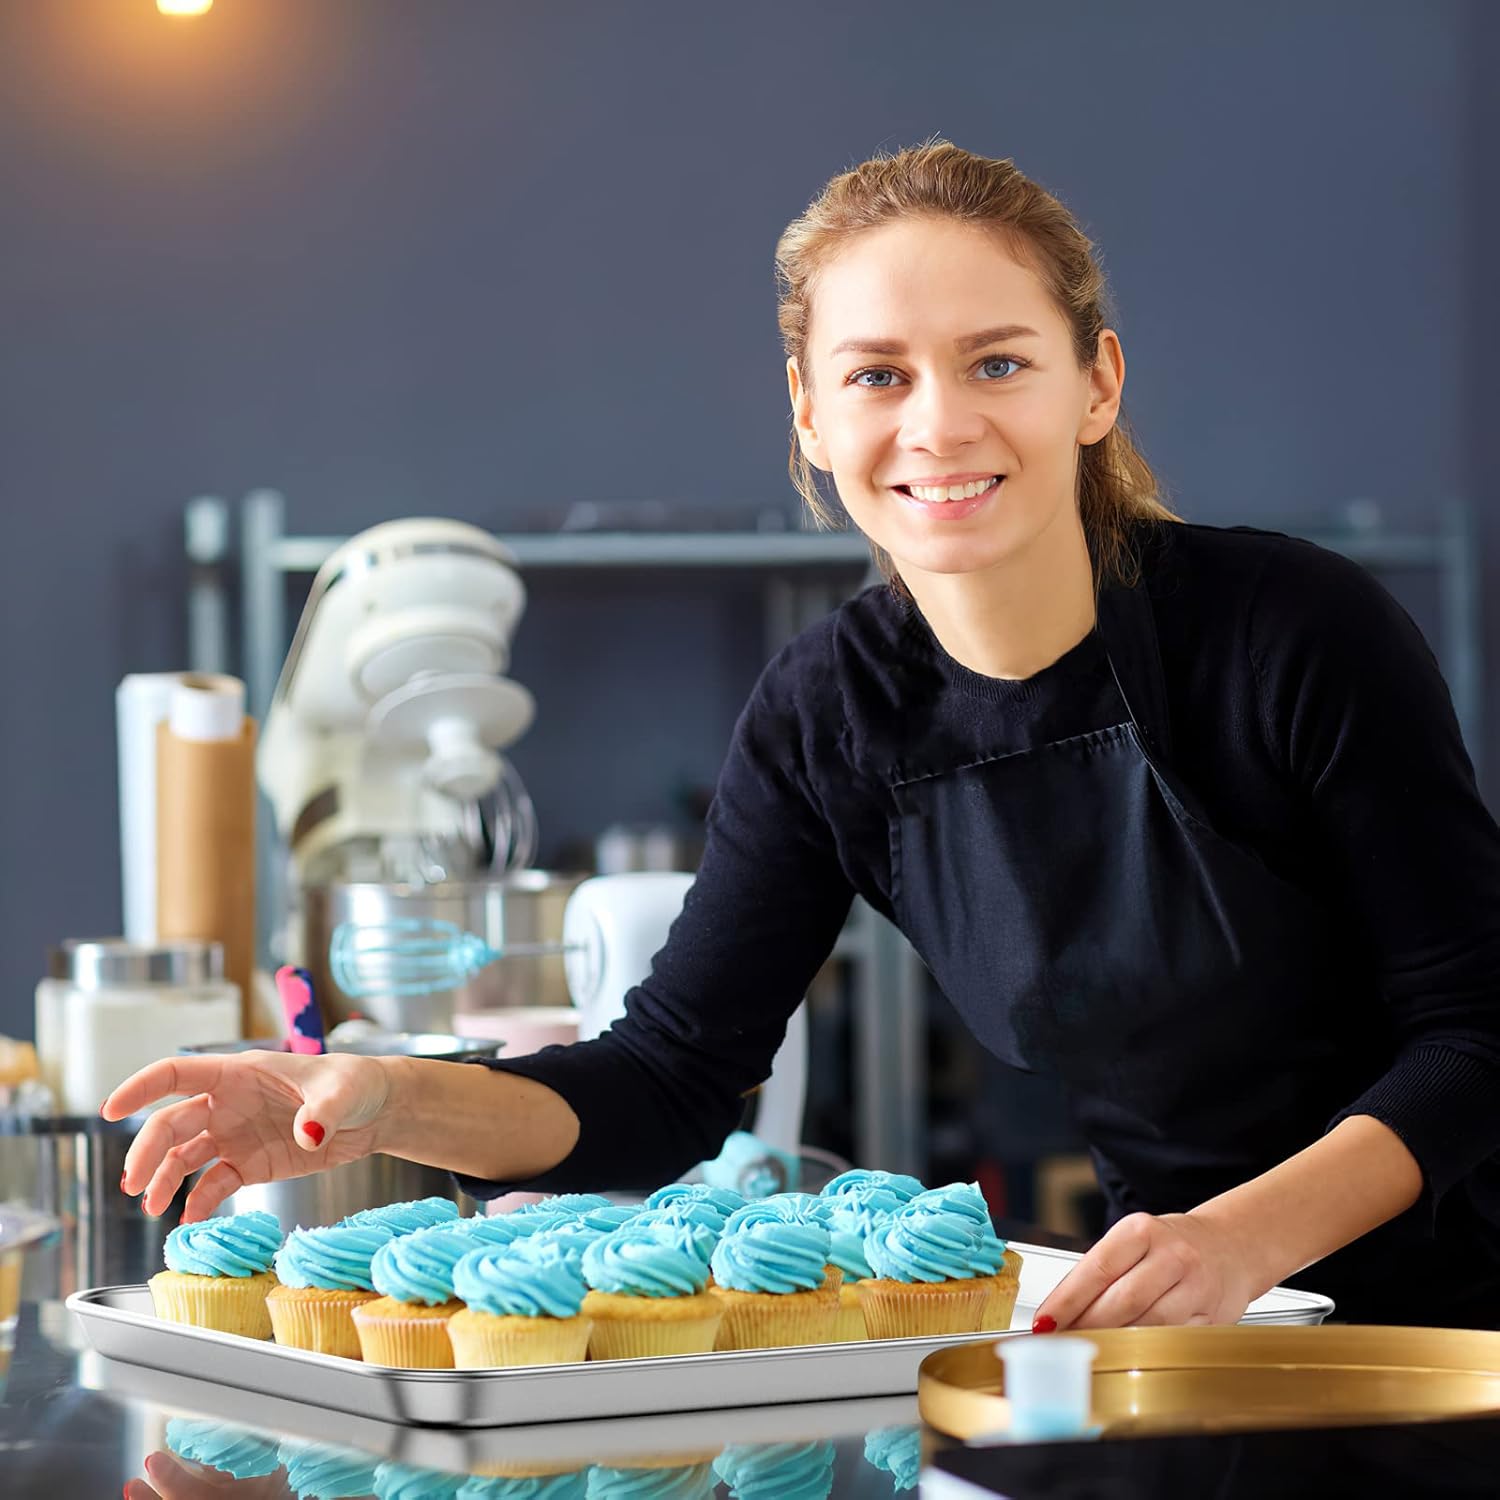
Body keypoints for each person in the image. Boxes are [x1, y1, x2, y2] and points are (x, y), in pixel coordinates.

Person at [105, 141, 1500, 1331]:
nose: (939, 423)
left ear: (1096, 384)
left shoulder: (1291, 632)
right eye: (879, 375)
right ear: (814, 417)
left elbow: (1478, 1035)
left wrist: (1246, 1240)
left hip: (1455, 1308)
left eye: (997, 361)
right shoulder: (829, 712)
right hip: (1175, 1318)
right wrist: (367, 1099)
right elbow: (665, 1083)